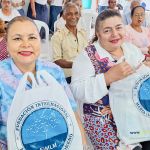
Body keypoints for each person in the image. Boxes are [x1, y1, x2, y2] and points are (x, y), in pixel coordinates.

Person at [0, 16, 87, 150]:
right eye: (17, 38)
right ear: (6, 43)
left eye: (32, 37)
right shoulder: (2, 76)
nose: (26, 44)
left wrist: (83, 145)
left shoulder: (54, 71)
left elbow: (72, 112)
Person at [71, 9, 149, 149]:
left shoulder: (131, 50)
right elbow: (76, 90)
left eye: (118, 28)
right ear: (98, 33)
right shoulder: (87, 56)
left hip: (133, 115)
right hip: (103, 122)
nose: (115, 34)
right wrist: (107, 78)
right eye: (107, 30)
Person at [51, 2, 88, 84]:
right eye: (69, 14)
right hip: (68, 76)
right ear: (63, 16)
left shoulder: (83, 33)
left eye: (76, 13)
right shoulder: (57, 37)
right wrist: (77, 65)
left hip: (85, 73)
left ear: (79, 15)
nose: (73, 17)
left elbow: (88, 53)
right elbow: (57, 60)